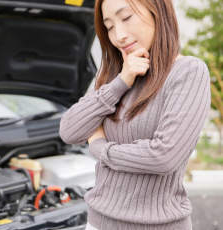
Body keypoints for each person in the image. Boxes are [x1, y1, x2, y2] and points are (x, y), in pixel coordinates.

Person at [59, 0, 211, 229]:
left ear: (157, 11)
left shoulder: (189, 71)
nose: (118, 35)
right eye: (109, 26)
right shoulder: (114, 77)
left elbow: (163, 157)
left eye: (126, 17)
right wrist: (121, 82)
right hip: (98, 222)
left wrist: (100, 147)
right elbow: (69, 131)